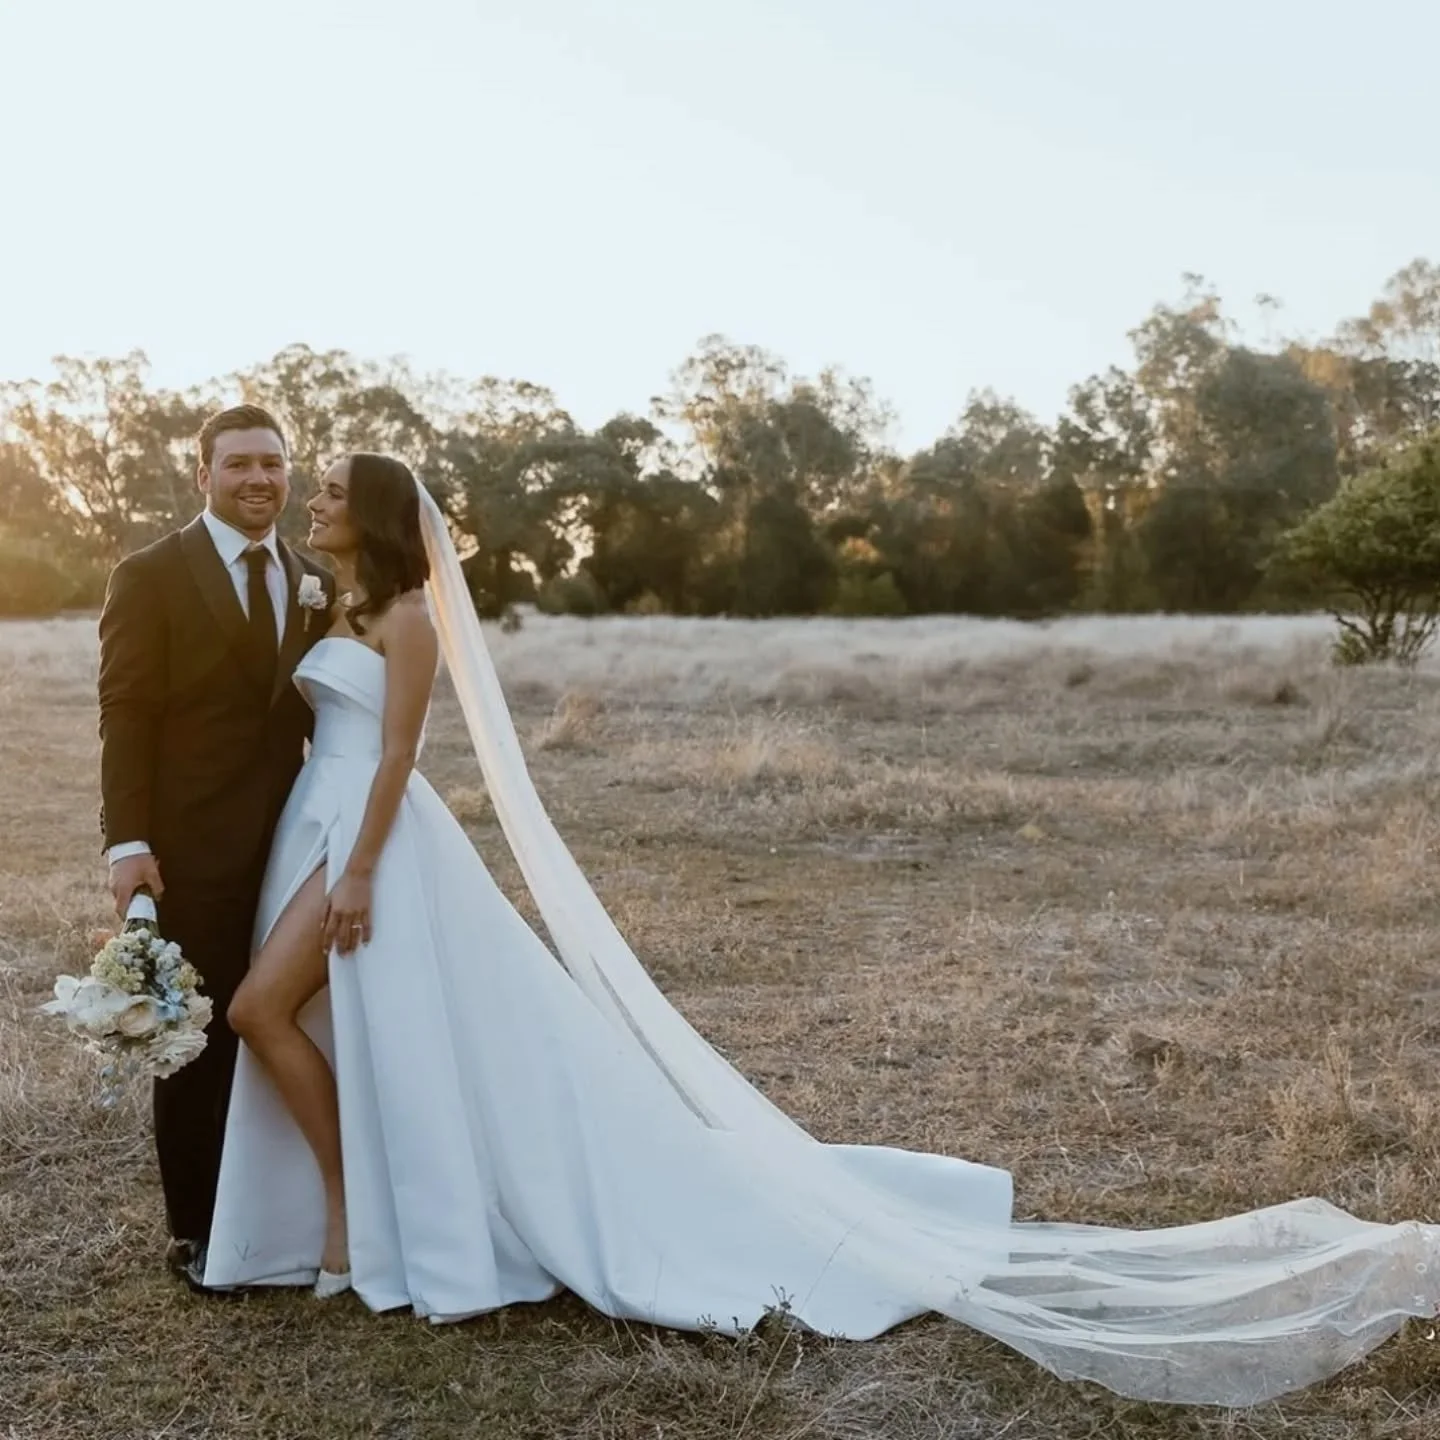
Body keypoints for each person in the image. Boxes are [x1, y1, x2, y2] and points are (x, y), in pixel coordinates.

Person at [204, 451, 1440, 1407]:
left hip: (374, 843)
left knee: (262, 1009)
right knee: (339, 1028)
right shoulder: (332, 600)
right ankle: (361, 1207)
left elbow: (407, 753)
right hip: (318, 828)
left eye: (323, 492)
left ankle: (348, 1214)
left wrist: (360, 867)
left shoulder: (408, 621)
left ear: (369, 513)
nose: (307, 501)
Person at [97, 405, 334, 1286]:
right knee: (193, 1038)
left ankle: (278, 1211)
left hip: (292, 839)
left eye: (272, 463)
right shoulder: (150, 574)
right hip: (187, 845)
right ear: (203, 475)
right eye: (238, 465)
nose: (258, 480)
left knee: (277, 1019)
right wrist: (128, 843)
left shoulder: (314, 578)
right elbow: (127, 712)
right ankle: (198, 1228)